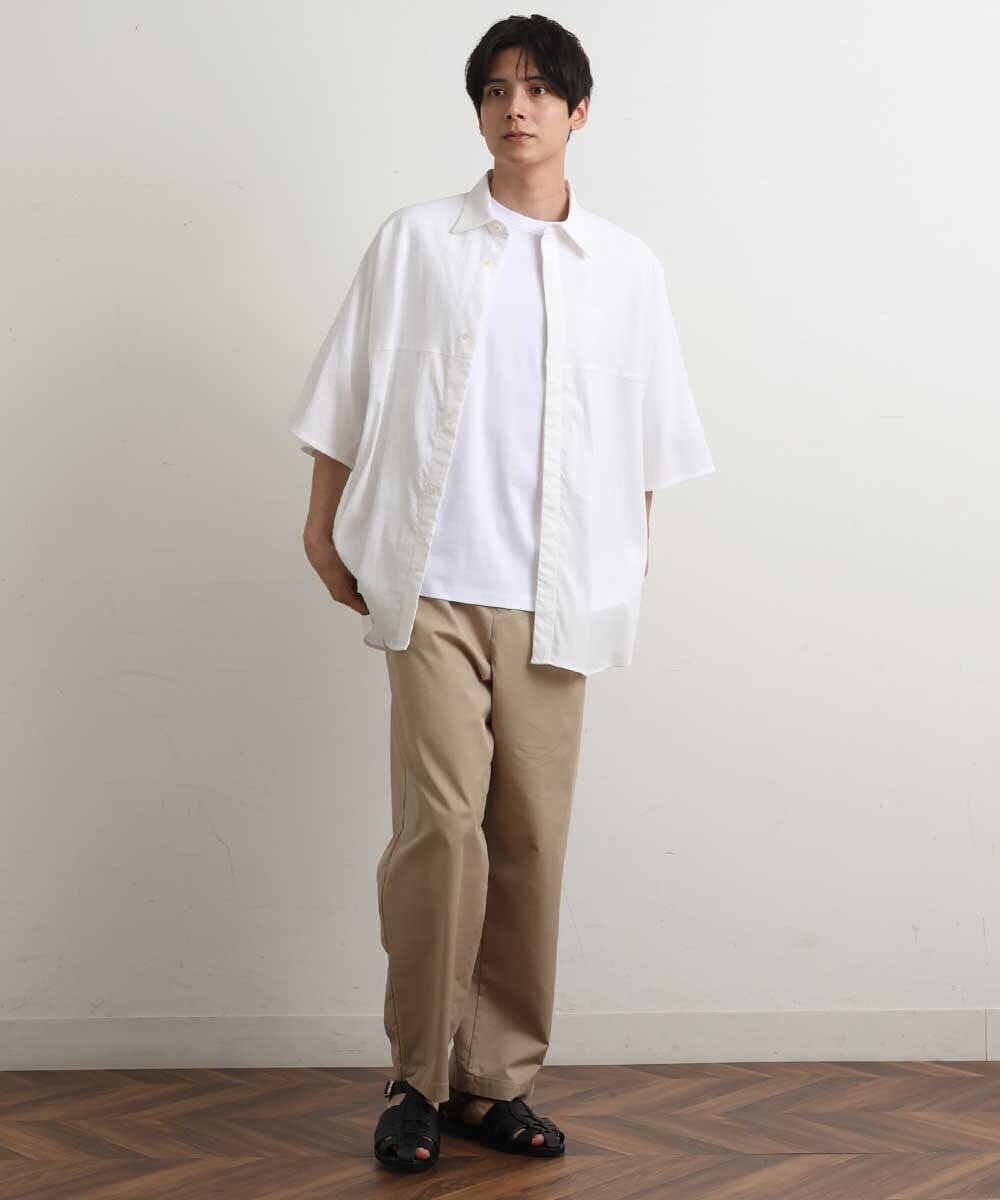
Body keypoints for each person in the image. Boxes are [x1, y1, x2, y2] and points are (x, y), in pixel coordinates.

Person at [289, 14, 715, 1175]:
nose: (514, 107)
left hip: (557, 593)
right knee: (440, 833)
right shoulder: (415, 242)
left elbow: (645, 436)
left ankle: (495, 1082)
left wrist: (625, 556)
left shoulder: (625, 268)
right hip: (429, 580)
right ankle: (416, 1080)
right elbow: (347, 391)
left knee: (529, 840)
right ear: (478, 109)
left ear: (579, 112)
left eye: (537, 89)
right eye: (494, 89)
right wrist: (322, 527)